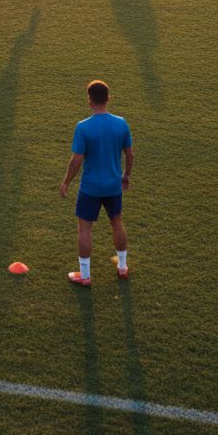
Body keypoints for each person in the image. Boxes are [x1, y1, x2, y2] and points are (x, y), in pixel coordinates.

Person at [59, 80, 133, 285]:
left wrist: (66, 182)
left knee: (85, 229)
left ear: (89, 100)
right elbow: (130, 154)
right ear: (108, 98)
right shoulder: (121, 123)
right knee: (117, 223)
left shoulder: (83, 127)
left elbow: (76, 160)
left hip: (90, 188)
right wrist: (126, 175)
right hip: (113, 186)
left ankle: (85, 275)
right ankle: (123, 267)